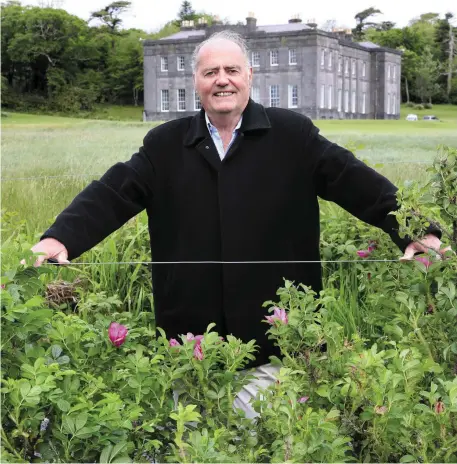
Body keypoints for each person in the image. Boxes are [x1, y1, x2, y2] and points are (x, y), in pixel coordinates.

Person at [29, 30, 448, 418]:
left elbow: (355, 180)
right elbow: (112, 192)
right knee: (193, 449)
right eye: (211, 72)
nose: (222, 80)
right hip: (190, 348)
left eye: (232, 70)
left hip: (278, 345)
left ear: (250, 75)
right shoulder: (165, 145)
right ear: (197, 81)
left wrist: (416, 229)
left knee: (267, 447)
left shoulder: (293, 136)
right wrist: (60, 238)